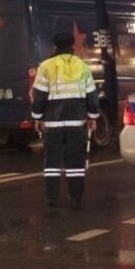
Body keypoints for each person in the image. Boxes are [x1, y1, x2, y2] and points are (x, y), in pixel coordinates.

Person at [31, 32, 100, 208]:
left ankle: (51, 198)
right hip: (77, 123)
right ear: (72, 46)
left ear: (55, 46)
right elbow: (92, 96)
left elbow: (39, 96)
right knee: (75, 161)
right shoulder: (82, 67)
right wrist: (92, 117)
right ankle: (76, 197)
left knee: (52, 161)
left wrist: (38, 117)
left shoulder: (46, 66)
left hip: (52, 124)